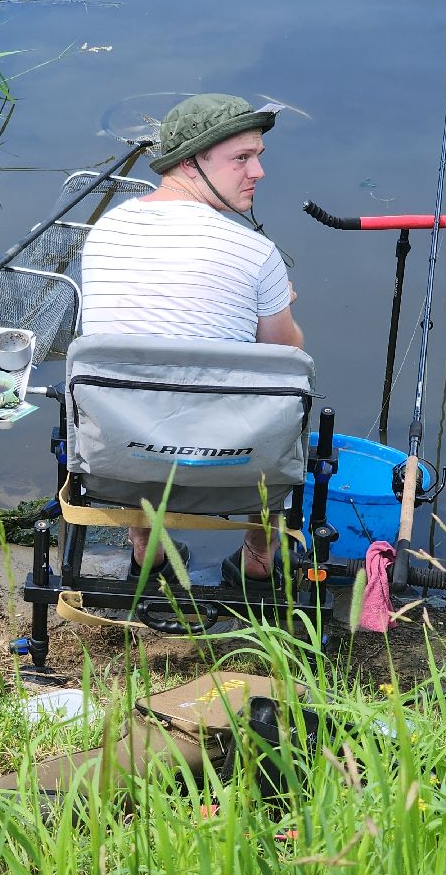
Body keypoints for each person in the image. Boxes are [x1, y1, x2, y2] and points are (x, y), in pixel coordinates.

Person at [80, 93, 306, 583]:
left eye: (258, 157)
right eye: (241, 159)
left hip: (117, 460)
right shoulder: (256, 252)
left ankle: (148, 550)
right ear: (189, 163)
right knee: (285, 400)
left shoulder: (105, 230)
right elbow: (289, 360)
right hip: (233, 470)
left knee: (128, 384)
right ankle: (257, 560)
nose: (258, 173)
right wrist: (276, 302)